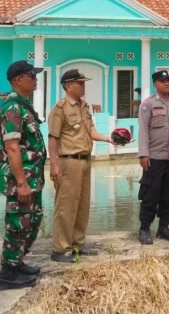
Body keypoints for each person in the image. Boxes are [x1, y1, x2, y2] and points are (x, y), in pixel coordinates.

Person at [48, 69, 115, 263]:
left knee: (82, 205)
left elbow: (91, 131)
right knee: (65, 206)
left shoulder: (84, 107)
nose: (84, 86)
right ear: (68, 86)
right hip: (68, 161)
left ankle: (78, 243)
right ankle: (61, 249)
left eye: (84, 83)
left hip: (85, 160)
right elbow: (53, 138)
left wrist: (108, 139)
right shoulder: (60, 109)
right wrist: (54, 164)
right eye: (80, 83)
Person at [0, 60, 47, 290]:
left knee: (31, 221)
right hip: (21, 181)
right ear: (18, 80)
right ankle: (7, 274)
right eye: (31, 76)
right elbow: (12, 147)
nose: (35, 79)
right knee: (18, 224)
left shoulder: (24, 106)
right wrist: (22, 183)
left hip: (32, 178)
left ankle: (18, 263)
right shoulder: (13, 109)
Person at [137, 70, 169, 245]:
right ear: (155, 84)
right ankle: (144, 228)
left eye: (168, 80)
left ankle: (163, 228)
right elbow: (143, 130)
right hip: (154, 157)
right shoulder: (148, 104)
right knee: (151, 192)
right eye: (163, 81)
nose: (167, 83)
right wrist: (143, 154)